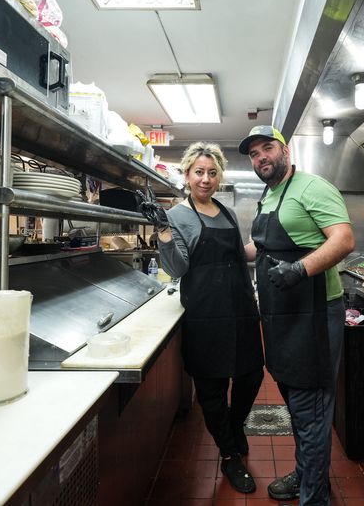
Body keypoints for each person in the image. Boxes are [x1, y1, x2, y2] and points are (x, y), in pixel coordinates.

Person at [137, 142, 264, 494]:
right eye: (199, 172)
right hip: (205, 314)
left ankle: (234, 425)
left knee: (251, 375)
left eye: (211, 173)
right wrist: (162, 231)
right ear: (187, 175)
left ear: (218, 175)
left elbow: (239, 256)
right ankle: (228, 454)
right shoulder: (178, 216)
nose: (205, 179)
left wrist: (270, 243)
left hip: (240, 308)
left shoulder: (226, 212)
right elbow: (177, 267)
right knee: (211, 390)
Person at [238, 125, 355, 505]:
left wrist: (300, 269)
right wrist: (222, 250)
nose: (261, 158)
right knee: (296, 405)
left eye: (267, 148)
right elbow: (261, 246)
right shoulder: (270, 195)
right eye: (254, 154)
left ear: (284, 149)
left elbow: (343, 239)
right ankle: (307, 475)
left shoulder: (312, 187)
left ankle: (313, 497)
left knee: (311, 411)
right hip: (280, 316)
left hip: (313, 315)